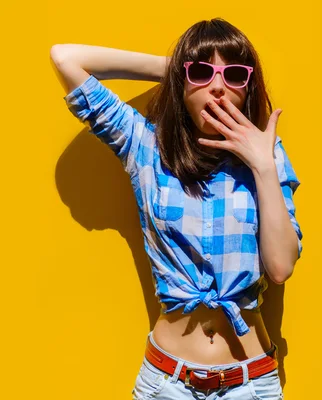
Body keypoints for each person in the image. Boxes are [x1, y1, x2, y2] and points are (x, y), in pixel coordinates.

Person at [50, 17, 303, 400]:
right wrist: (177, 69)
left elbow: (281, 267)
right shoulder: (145, 147)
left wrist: (263, 168)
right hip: (166, 383)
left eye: (233, 74)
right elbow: (66, 58)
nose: (217, 86)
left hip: (250, 385)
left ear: (247, 87)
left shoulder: (268, 156)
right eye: (202, 72)